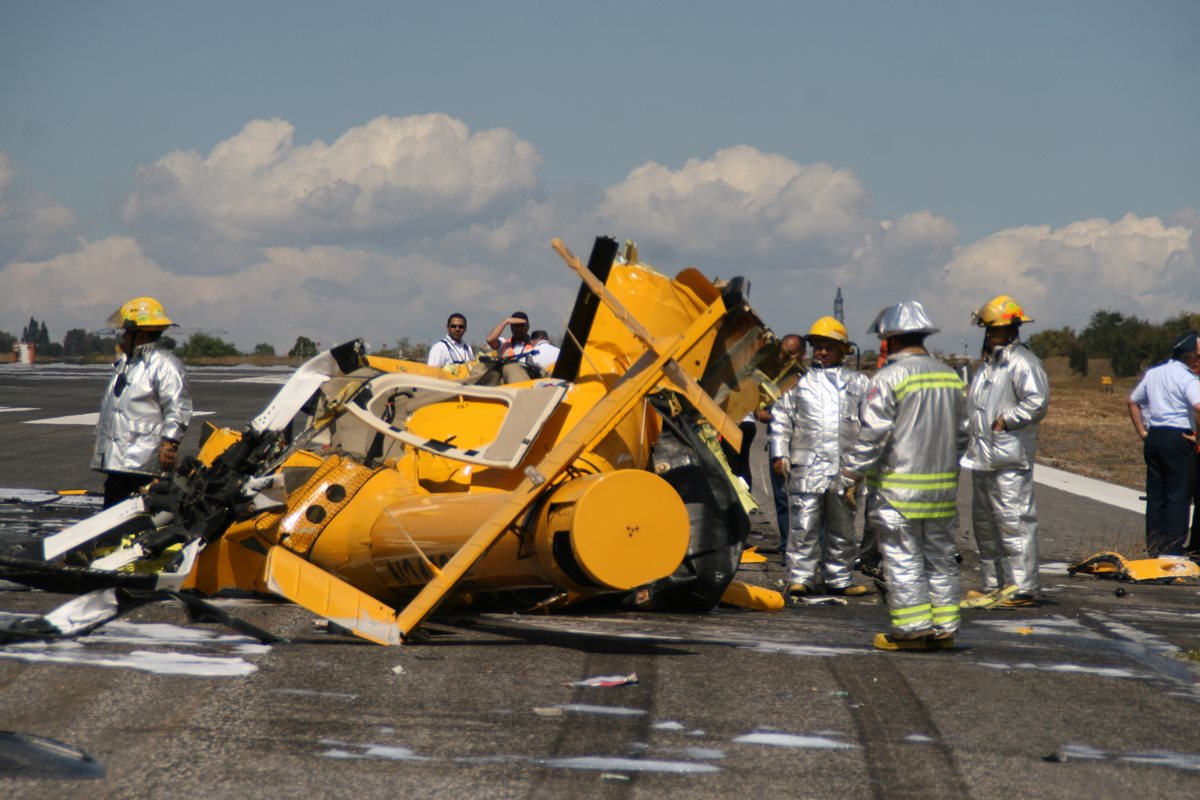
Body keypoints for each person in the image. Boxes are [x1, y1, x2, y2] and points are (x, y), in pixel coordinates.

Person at [839, 301, 967, 651]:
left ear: (891, 339)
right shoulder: (949, 376)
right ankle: (944, 628)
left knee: (902, 558)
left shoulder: (888, 377)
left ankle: (911, 630)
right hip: (941, 492)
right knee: (940, 558)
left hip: (898, 492)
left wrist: (851, 474)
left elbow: (873, 435)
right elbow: (963, 434)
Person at [961, 295, 1050, 607]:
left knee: (1014, 522)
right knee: (986, 525)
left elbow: (1037, 402)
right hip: (983, 458)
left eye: (994, 329)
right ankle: (994, 584)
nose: (988, 334)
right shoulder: (989, 365)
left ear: (1012, 327)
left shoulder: (1023, 362)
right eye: (987, 329)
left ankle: (1022, 587)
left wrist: (1007, 420)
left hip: (1009, 457)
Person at [770, 317, 869, 596]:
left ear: (843, 350)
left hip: (845, 468)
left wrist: (863, 465)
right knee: (804, 525)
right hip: (807, 467)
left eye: (829, 347)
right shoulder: (799, 382)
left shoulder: (859, 383)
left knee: (843, 528)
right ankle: (800, 576)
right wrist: (780, 453)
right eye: (819, 346)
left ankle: (839, 578)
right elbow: (781, 419)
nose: (822, 352)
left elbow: (871, 425)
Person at [92, 297, 193, 508]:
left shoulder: (165, 365)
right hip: (120, 463)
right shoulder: (129, 364)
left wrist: (170, 443)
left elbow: (178, 407)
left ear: (142, 333)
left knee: (138, 524)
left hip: (143, 464)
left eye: (127, 332)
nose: (123, 336)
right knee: (112, 524)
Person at [1127, 331, 1200, 556]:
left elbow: (1132, 401)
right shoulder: (1187, 378)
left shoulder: (1154, 373)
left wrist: (1142, 432)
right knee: (1178, 496)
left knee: (1156, 496)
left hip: (1155, 437)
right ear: (1190, 357)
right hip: (1178, 437)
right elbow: (1198, 406)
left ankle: (1155, 548)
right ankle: (1173, 551)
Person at [767, 334, 806, 551]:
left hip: (804, 446)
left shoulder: (810, 382)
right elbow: (760, 412)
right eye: (783, 354)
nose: (787, 358)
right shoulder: (773, 381)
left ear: (803, 354)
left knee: (807, 500)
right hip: (778, 443)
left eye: (792, 354)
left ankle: (808, 548)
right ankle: (786, 547)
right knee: (783, 499)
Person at [486, 311, 537, 383]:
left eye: (521, 326)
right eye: (515, 326)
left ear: (528, 327)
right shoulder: (504, 343)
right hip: (508, 386)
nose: (518, 329)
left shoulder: (535, 346)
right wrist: (506, 321)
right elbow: (490, 339)